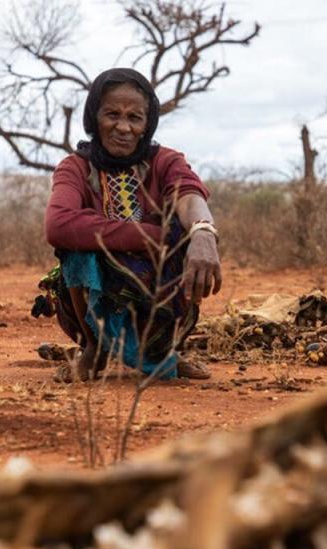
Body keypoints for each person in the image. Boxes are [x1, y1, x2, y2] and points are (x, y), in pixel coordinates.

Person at [40, 68, 221, 382]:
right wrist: (150, 237)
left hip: (156, 300)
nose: (123, 127)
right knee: (75, 251)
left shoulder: (165, 162)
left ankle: (166, 350)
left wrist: (203, 231)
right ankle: (93, 350)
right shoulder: (76, 168)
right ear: (93, 117)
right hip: (90, 302)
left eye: (135, 118)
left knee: (188, 240)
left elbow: (189, 195)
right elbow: (58, 225)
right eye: (112, 114)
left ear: (146, 125)